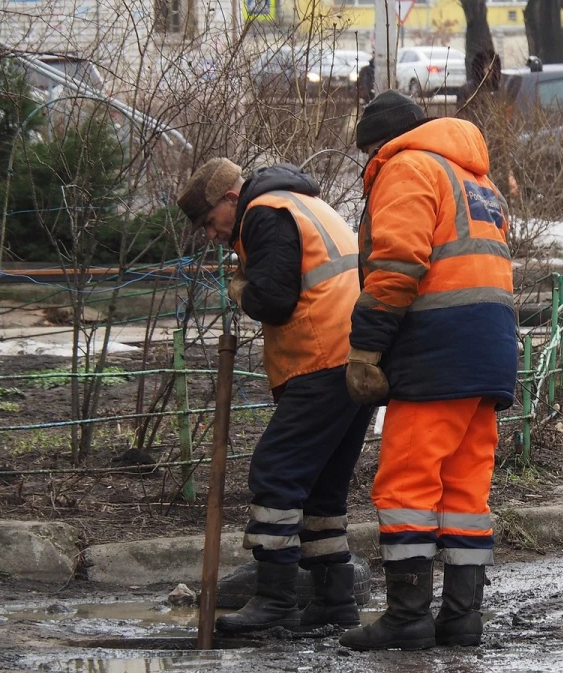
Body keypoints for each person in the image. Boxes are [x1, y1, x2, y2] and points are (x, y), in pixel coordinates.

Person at [337, 90, 517, 651]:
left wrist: (366, 348)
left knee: (407, 483)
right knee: (465, 490)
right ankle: (462, 617)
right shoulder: (475, 179)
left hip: (438, 349)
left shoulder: (406, 167)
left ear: (377, 146)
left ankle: (407, 616)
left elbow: (397, 266)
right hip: (489, 350)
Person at [177, 158, 375, 633]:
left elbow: (274, 299)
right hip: (357, 357)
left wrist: (240, 289)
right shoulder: (302, 203)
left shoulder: (263, 213)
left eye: (210, 221)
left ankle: (275, 601)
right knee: (323, 488)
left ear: (231, 198)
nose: (212, 235)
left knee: (276, 472)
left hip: (322, 357)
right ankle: (333, 599)